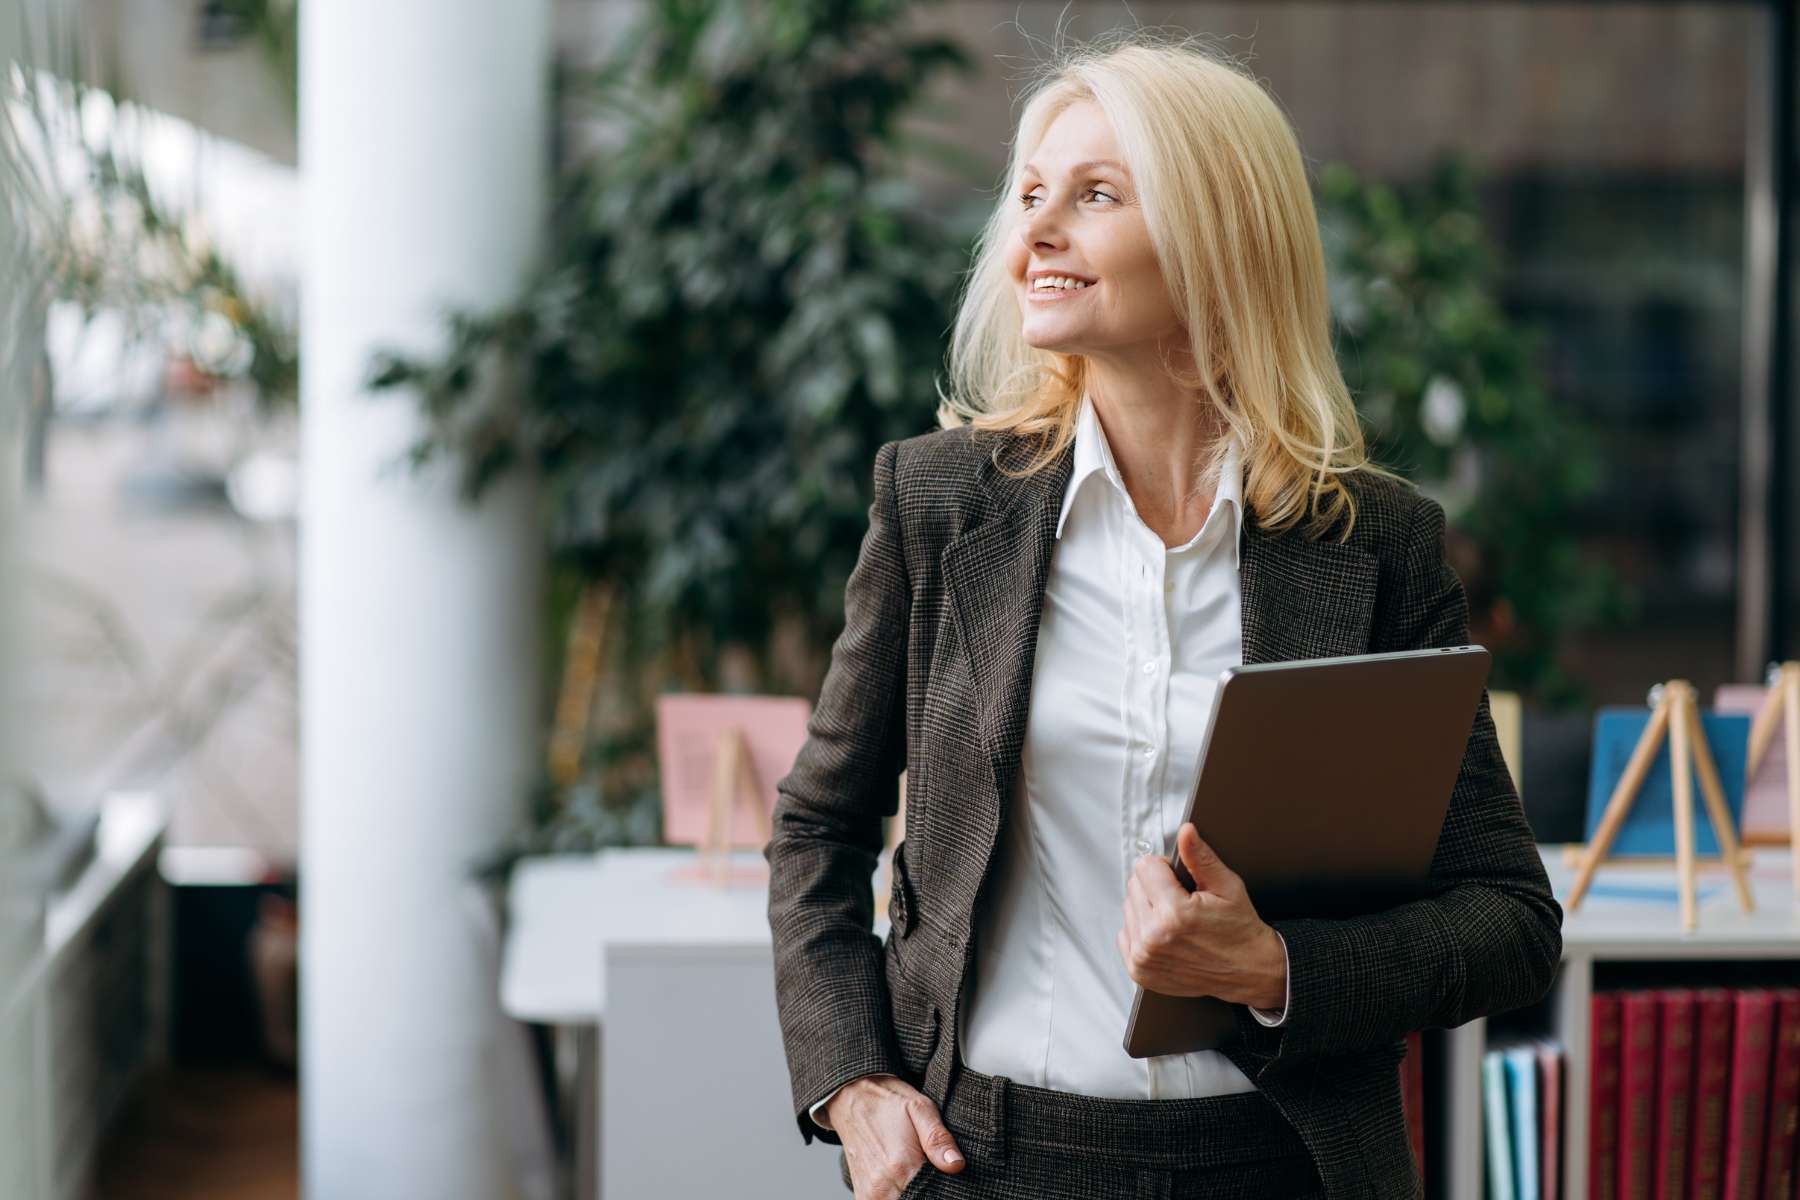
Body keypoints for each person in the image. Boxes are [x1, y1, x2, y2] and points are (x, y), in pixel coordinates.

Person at [764, 32, 1563, 1200]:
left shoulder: (1372, 541)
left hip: (1284, 1166)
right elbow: (816, 832)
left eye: (1094, 196)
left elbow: (1509, 922)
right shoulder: (936, 506)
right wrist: (852, 1085)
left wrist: (1275, 966)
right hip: (988, 1162)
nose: (1033, 231)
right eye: (1030, 193)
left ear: (1216, 236)